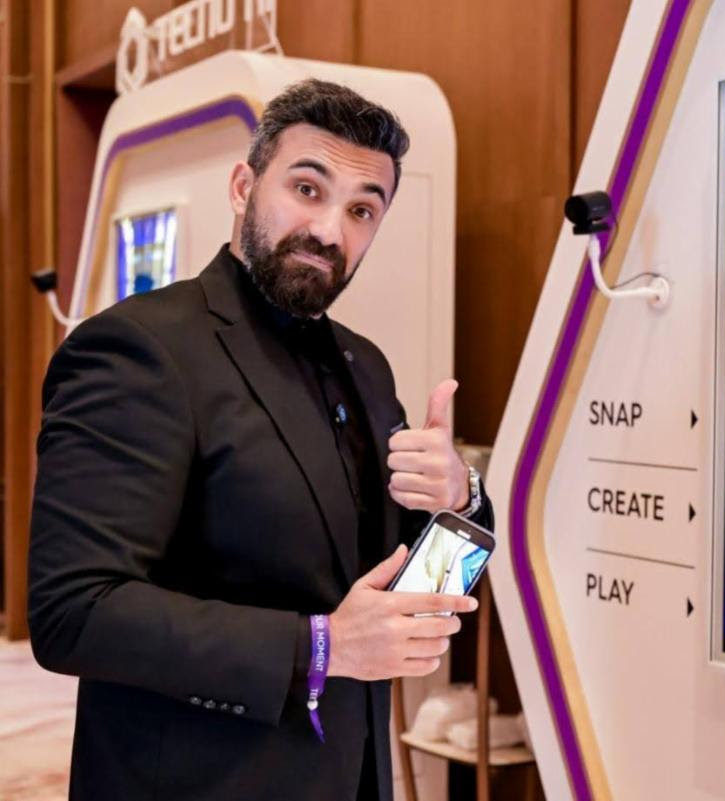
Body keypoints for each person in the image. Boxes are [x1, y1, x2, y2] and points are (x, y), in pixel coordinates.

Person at [27, 79, 491, 801]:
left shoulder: (367, 365)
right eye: (308, 189)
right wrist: (322, 647)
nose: (330, 231)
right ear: (244, 187)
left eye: (361, 210)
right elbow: (73, 611)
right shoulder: (139, 348)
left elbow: (398, 590)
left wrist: (458, 499)